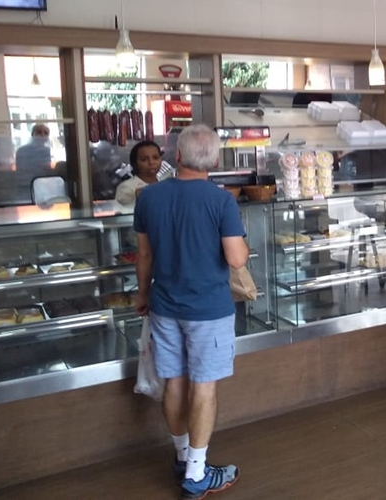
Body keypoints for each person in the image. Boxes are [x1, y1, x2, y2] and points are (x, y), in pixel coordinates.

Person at [134, 124, 248, 499]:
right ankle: (197, 474)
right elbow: (236, 258)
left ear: (178, 156)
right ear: (214, 160)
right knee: (203, 387)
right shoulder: (221, 201)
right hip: (209, 310)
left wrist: (142, 295)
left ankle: (183, 456)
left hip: (164, 305)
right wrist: (243, 247)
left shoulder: (148, 197)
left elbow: (144, 255)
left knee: (175, 382)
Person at [115, 140, 163, 206]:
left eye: (155, 158)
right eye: (144, 159)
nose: (151, 162)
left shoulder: (165, 184)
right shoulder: (126, 187)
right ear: (135, 163)